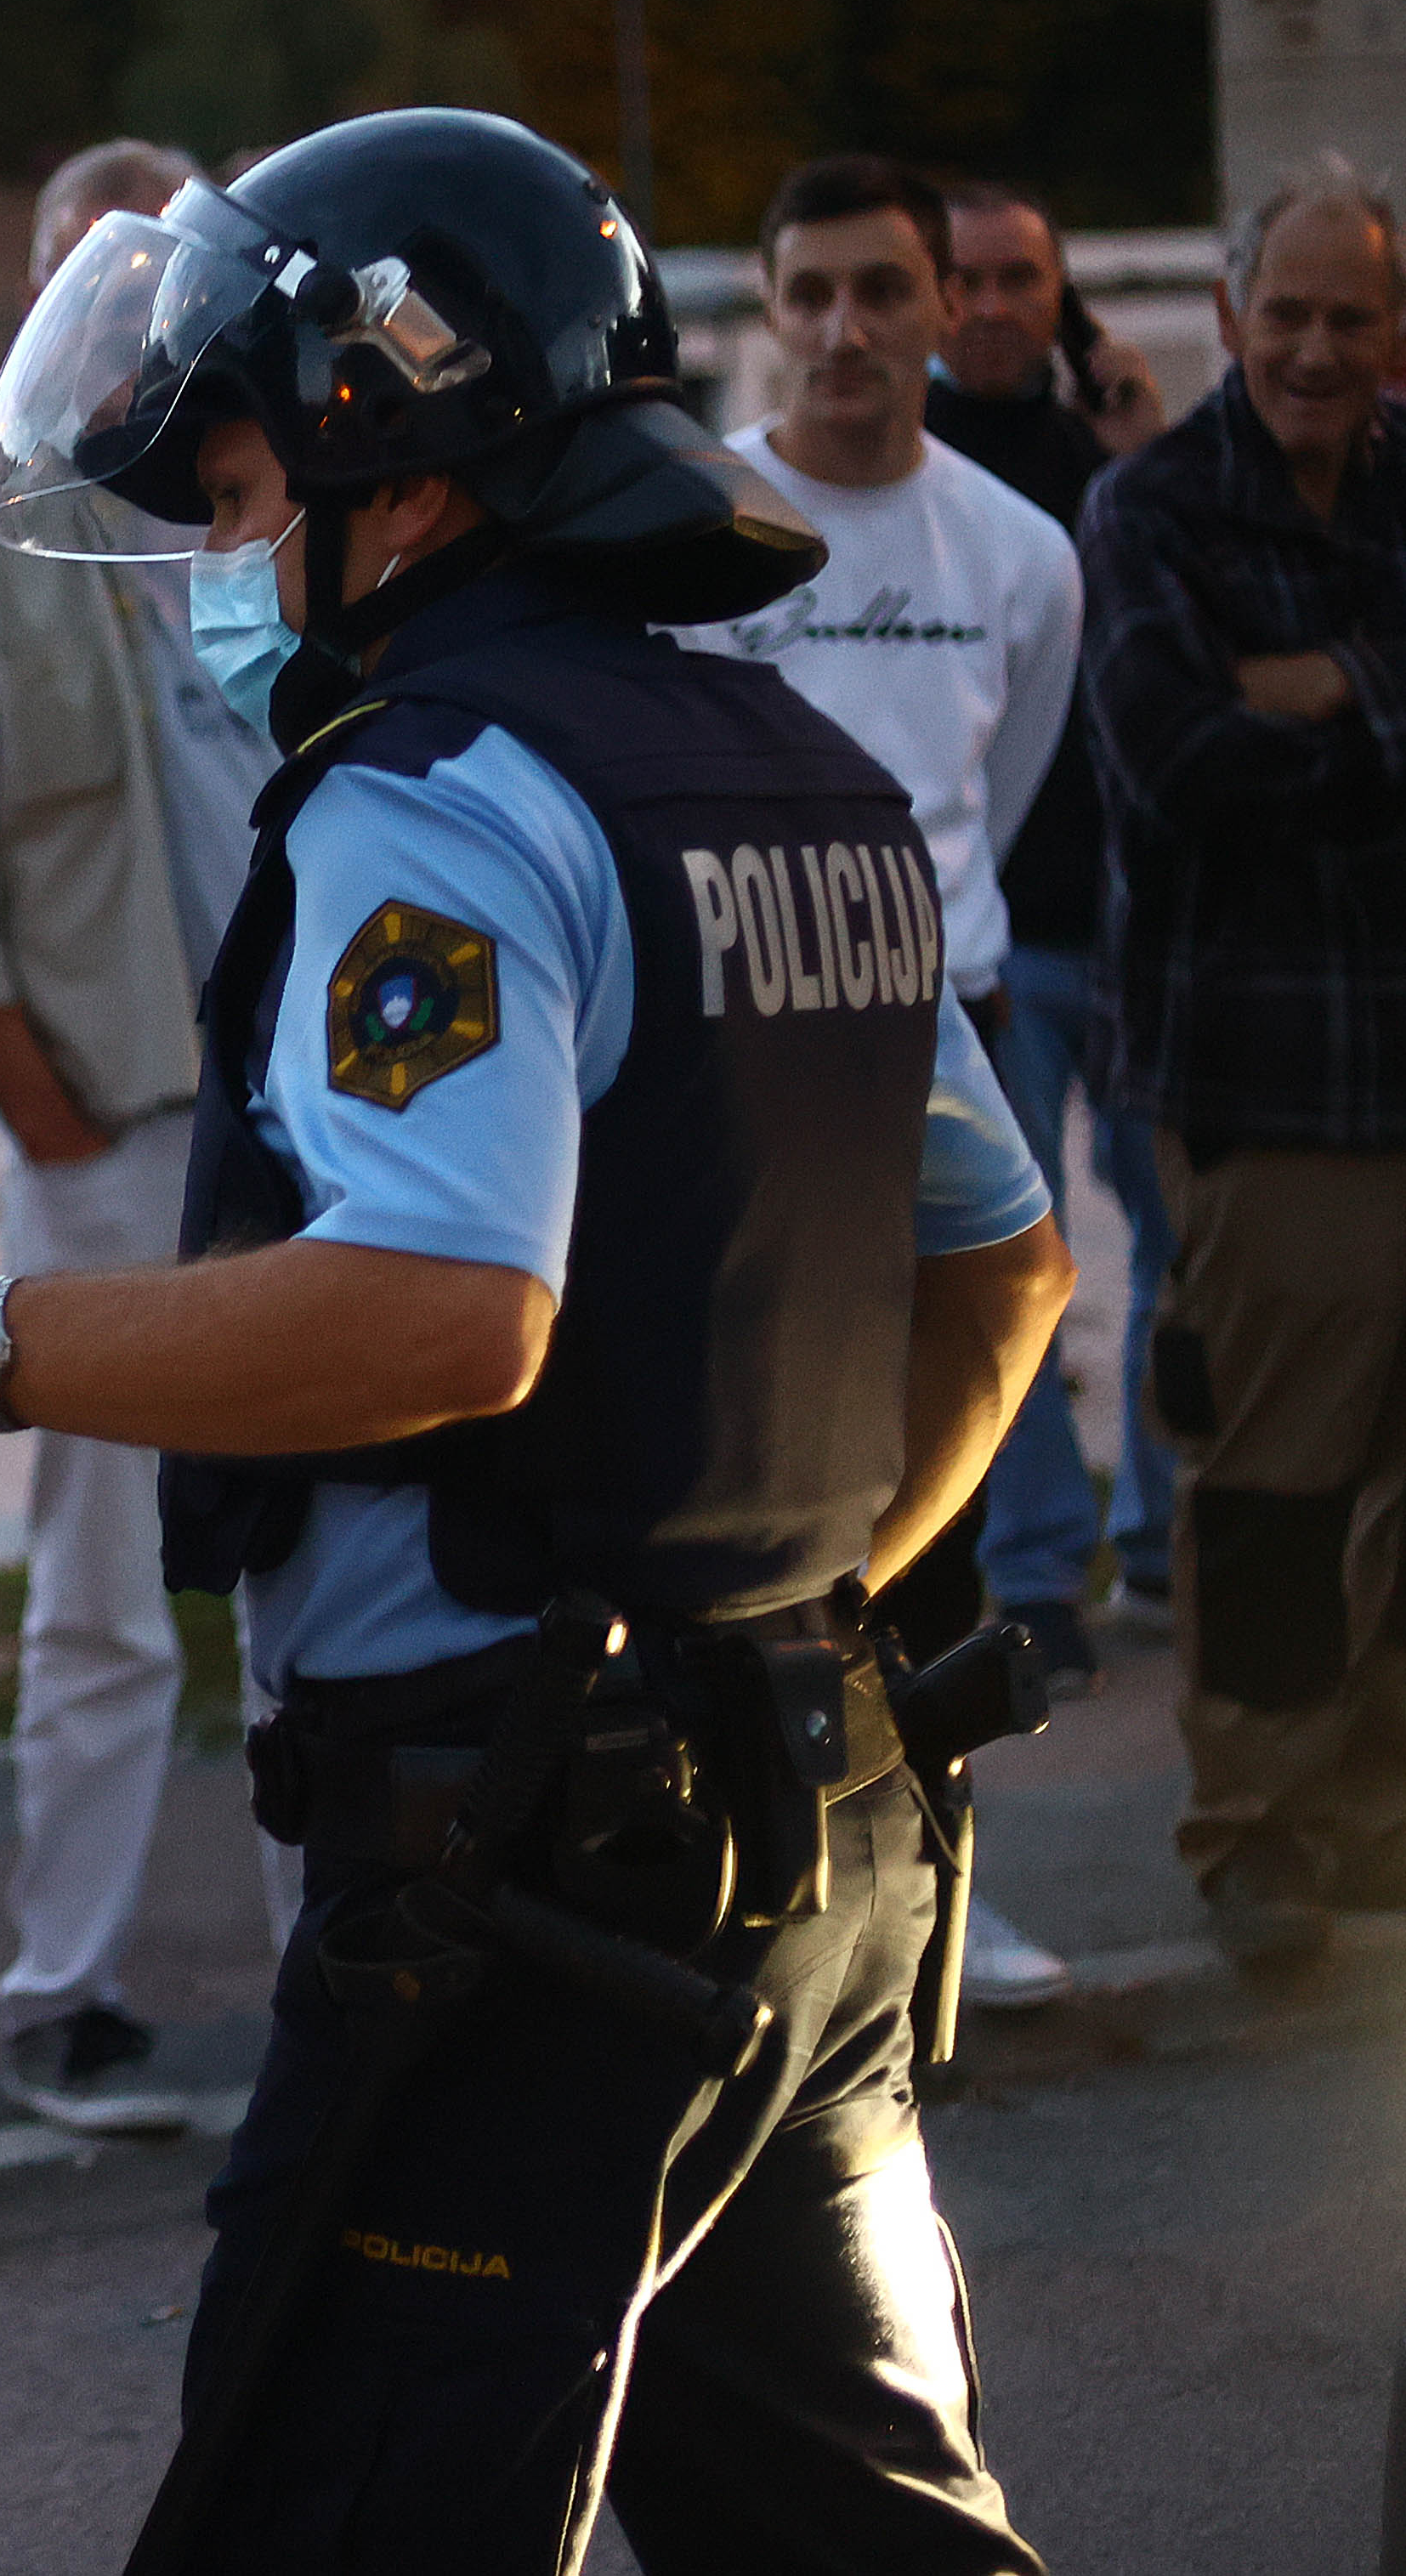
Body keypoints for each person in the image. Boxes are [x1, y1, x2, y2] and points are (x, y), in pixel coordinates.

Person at [0, 110, 1065, 2571]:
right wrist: (782, 1601)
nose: (228, 560)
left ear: (404, 459)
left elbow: (442, 1312)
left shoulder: (437, 798)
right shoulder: (789, 775)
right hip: (811, 1822)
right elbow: (1001, 1263)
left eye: (246, 480)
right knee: (858, 2529)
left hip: (534, 1878)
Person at [0, 135, 281, 2134]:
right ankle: (61, 1987)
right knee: (99, 1585)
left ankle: (334, 1949)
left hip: (295, 1126)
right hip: (106, 1129)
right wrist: (58, 1139)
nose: (105, 311)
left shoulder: (263, 513)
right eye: (69, 277)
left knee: (313, 1561)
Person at [666, 154, 1085, 2012]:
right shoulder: (693, 524)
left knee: (948, 1488)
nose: (847, 330)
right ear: (767, 311)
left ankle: (937, 1893)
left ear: (950, 306)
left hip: (952, 1045)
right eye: (810, 291)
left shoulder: (1020, 550)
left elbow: (995, 799)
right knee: (756, 1478)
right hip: (750, 1059)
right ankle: (749, 1876)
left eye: (883, 291)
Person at [1079, 155, 1406, 1985]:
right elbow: (1180, 764)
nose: (1315, 347)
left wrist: (1324, 685)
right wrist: (1382, 700)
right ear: (1224, 317)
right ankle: (1257, 1827)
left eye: (1352, 317)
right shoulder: (1150, 509)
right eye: (1286, 312)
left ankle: (1378, 1803)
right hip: (1269, 1075)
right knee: (1279, 1476)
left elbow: (1261, 736)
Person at [929, 180, 1178, 1655]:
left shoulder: (1111, 460)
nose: (993, 305)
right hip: (1001, 933)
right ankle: (1036, 1570)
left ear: (1063, 293)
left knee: (1173, 1239)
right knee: (1014, 1261)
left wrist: (1140, 441)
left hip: (1139, 913)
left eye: (1024, 277)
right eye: (966, 280)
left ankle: (1155, 1536)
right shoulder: (917, 462)